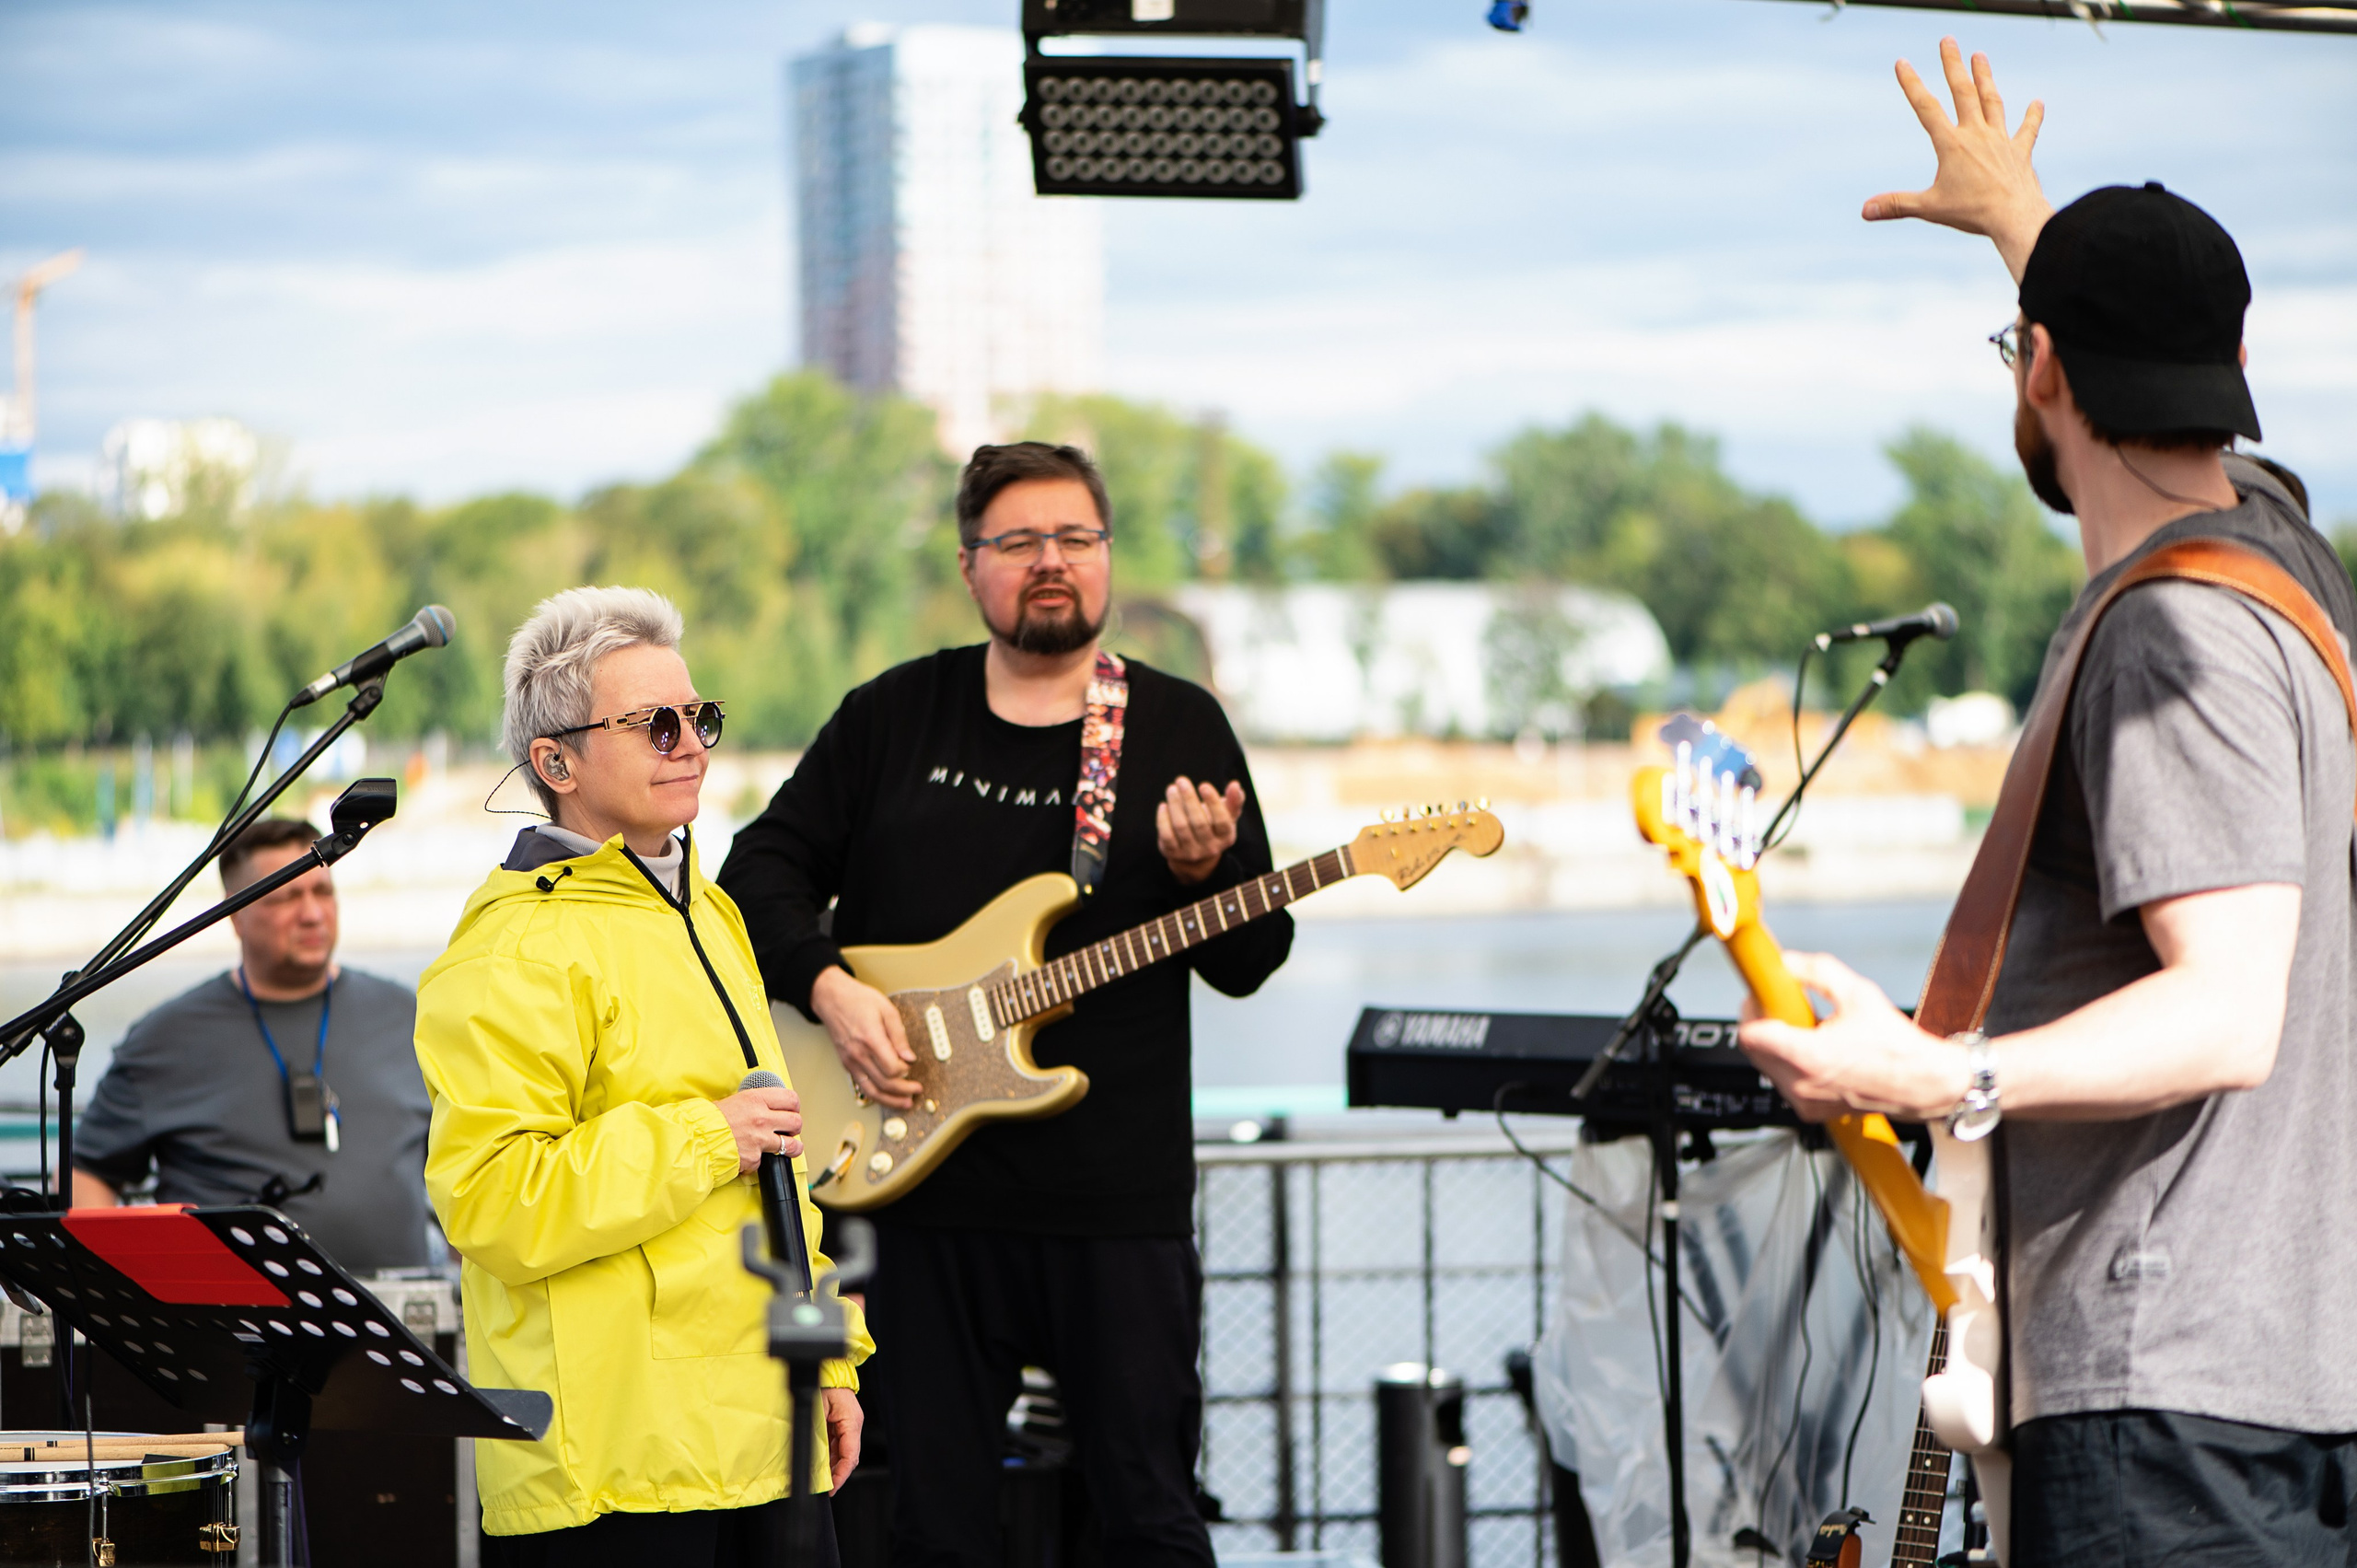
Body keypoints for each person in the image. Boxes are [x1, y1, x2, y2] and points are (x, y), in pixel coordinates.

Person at [1736, 40, 2357, 1564]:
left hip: (2169, 1395)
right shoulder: (2281, 562)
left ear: (2041, 370)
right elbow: (2149, 395)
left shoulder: (2172, 629)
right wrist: (2039, 241)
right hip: (2270, 1373)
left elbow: (2226, 1012)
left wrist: (1937, 1073)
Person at [718, 441, 1293, 1567]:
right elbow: (758, 874)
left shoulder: (1174, 726)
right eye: (1018, 540)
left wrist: (1204, 878)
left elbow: (1250, 957)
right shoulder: (894, 715)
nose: (1050, 561)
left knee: (1150, 1515)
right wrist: (832, 989)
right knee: (934, 1528)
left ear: (1107, 558)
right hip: (915, 1195)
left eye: (1075, 538)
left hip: (1115, 1204)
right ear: (971, 564)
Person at [413, 585, 871, 1564]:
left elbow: (778, 1170)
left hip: (762, 1440)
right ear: (555, 760)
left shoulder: (710, 912)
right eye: (653, 722)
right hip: (613, 1477)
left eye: (697, 716)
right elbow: (495, 1202)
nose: (690, 742)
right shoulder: (511, 949)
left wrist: (833, 1358)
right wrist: (710, 1134)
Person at [73, 816, 433, 1274]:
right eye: (287, 896)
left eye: (323, 893)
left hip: (399, 1331)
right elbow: (85, 1173)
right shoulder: (164, 1039)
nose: (312, 913)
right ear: (235, 913)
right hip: (226, 1334)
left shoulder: (410, 1017)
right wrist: (134, 1286)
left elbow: (468, 1170)